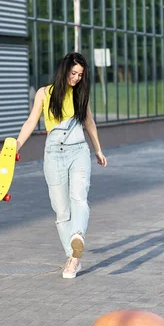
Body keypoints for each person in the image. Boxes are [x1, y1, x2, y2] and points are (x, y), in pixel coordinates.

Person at [15, 52, 107, 279]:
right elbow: (31, 121)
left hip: (78, 150)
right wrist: (15, 145)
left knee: (79, 197)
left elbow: (89, 123)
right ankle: (72, 254)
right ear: (64, 69)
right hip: (53, 153)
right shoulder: (45, 94)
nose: (76, 78)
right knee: (61, 209)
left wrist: (98, 149)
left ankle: (77, 241)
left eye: (80, 75)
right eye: (73, 73)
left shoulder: (80, 95)